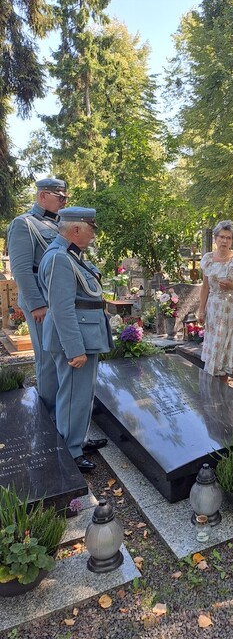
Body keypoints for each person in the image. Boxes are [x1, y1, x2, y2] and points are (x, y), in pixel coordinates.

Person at [38, 207, 114, 473]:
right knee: (72, 396)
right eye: (91, 230)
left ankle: (77, 439)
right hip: (75, 340)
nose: (93, 236)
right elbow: (62, 308)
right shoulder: (60, 258)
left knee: (81, 395)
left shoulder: (70, 256)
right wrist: (74, 349)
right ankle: (70, 452)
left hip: (84, 336)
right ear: (77, 229)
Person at [7, 178, 68, 417]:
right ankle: (50, 418)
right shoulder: (24, 224)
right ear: (42, 196)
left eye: (65, 197)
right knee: (48, 359)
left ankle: (66, 416)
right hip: (42, 303)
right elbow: (21, 269)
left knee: (65, 356)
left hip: (62, 300)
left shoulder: (62, 224)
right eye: (60, 197)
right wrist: (36, 304)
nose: (64, 201)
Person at [198, 220, 233, 393]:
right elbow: (205, 287)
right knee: (217, 351)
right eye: (221, 237)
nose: (224, 241)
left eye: (228, 238)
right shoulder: (208, 259)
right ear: (215, 238)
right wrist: (201, 309)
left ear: (232, 240)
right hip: (214, 310)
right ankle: (219, 394)